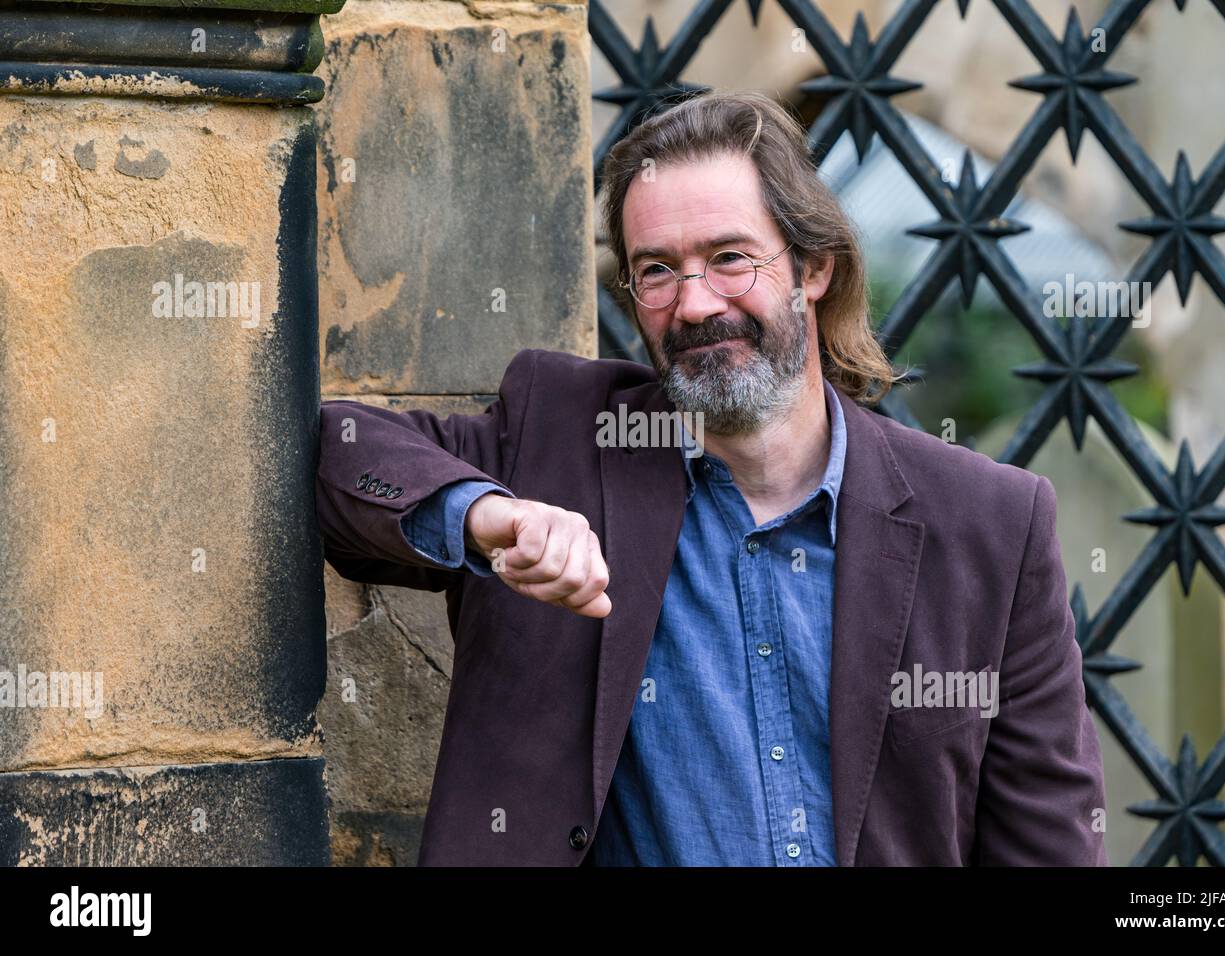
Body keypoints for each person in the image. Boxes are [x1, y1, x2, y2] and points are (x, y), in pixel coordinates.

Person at [315, 90, 1107, 866]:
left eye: (729, 259)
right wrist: (493, 518)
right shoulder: (559, 440)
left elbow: (1050, 840)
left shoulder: (993, 525)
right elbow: (334, 451)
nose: (693, 305)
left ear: (813, 269)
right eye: (656, 271)